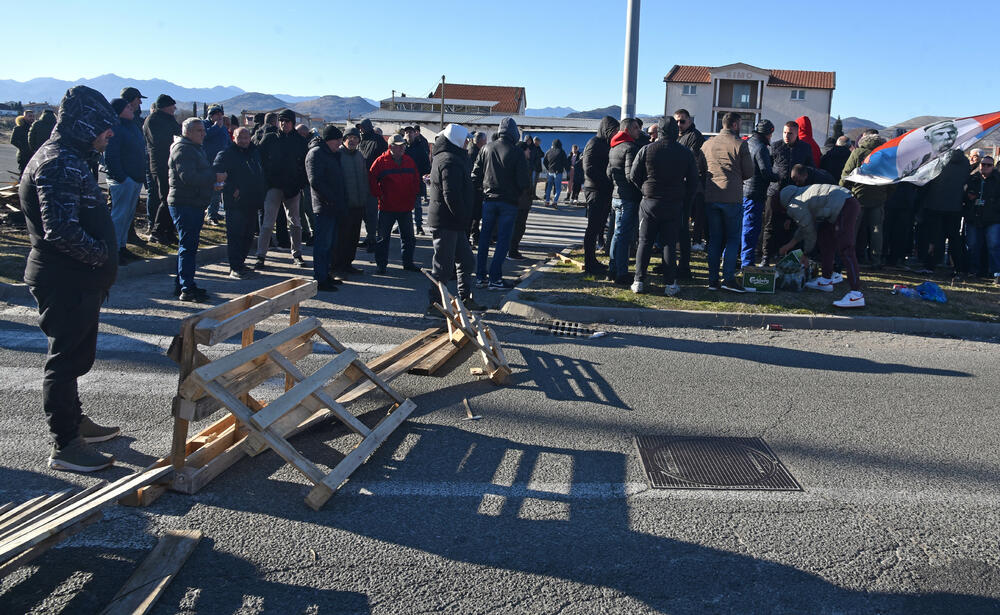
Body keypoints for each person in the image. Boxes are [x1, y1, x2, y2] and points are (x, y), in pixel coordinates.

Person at [19, 86, 122, 472]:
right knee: (64, 362)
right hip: (65, 279)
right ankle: (66, 444)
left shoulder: (72, 156)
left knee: (75, 356)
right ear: (83, 126)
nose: (108, 134)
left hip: (78, 279)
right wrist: (101, 258)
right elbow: (60, 231)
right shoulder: (58, 162)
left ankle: (76, 422)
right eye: (102, 127)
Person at [628, 116, 699, 296]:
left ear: (659, 131)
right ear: (676, 131)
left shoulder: (647, 149)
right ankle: (670, 283)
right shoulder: (685, 152)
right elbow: (693, 182)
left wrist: (645, 187)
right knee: (669, 244)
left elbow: (633, 175)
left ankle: (639, 280)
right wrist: (685, 199)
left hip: (649, 201)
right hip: (674, 203)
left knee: (644, 242)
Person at [426, 124, 485, 314]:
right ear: (458, 140)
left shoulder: (452, 157)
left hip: (454, 222)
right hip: (446, 221)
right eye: (466, 139)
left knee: (466, 261)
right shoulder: (449, 161)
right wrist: (463, 217)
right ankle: (434, 304)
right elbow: (450, 194)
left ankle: (465, 298)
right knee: (443, 266)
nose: (468, 142)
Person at [778, 179, 864, 307]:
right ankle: (825, 280)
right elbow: (805, 225)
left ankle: (856, 294)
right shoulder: (803, 193)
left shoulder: (795, 204)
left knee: (846, 249)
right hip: (843, 202)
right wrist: (791, 244)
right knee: (826, 240)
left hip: (845, 206)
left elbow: (809, 232)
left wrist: (806, 254)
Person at [169, 118, 224, 301]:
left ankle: (184, 283)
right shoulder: (183, 149)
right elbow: (189, 177)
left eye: (203, 130)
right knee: (188, 246)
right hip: (185, 203)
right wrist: (213, 176)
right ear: (188, 132)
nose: (204, 134)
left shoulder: (193, 148)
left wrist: (211, 183)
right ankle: (186, 288)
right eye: (199, 131)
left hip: (193, 202)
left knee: (188, 245)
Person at [472, 117, 530, 289]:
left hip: (488, 200)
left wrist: (482, 191)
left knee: (484, 239)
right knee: (503, 241)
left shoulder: (486, 148)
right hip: (509, 202)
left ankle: (480, 276)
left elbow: (475, 175)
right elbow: (524, 182)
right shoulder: (517, 152)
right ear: (514, 133)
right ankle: (495, 278)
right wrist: (518, 193)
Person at [702, 112, 753, 292]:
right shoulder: (740, 144)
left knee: (715, 239)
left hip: (711, 195)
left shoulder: (707, 144)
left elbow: (701, 168)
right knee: (732, 239)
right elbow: (749, 172)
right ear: (735, 125)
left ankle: (712, 280)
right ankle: (728, 278)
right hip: (732, 197)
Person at [256, 109, 309, 268]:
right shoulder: (269, 139)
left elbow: (304, 166)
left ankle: (297, 254)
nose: (283, 123)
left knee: (295, 223)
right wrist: (265, 182)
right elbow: (259, 160)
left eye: (287, 121)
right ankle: (260, 256)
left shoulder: (299, 141)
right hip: (273, 187)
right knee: (267, 223)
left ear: (293, 123)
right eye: (281, 120)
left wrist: (299, 184)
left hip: (293, 189)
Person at [213, 127, 265, 279]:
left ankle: (241, 263)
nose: (243, 140)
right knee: (235, 235)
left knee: (248, 235)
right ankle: (234, 267)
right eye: (240, 137)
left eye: (246, 137)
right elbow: (218, 174)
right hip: (235, 202)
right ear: (233, 138)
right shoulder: (226, 154)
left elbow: (260, 173)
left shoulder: (254, 153)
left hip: (252, 200)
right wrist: (231, 189)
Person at [102, 98, 146, 265]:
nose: (132, 109)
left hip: (135, 178)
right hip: (123, 180)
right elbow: (111, 156)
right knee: (119, 217)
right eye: (128, 107)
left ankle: (122, 247)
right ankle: (112, 252)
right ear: (119, 110)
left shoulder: (132, 126)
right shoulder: (115, 128)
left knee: (127, 217)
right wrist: (122, 178)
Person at [763, 120, 814, 265]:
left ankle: (791, 258)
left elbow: (810, 169)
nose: (787, 136)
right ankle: (767, 256)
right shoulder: (775, 146)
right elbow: (768, 167)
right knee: (770, 225)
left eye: (790, 133)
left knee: (794, 226)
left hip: (796, 193)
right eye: (785, 132)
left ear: (797, 133)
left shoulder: (805, 148)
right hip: (775, 192)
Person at [370, 134, 421, 274]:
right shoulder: (380, 162)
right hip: (387, 207)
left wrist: (413, 195)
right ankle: (381, 265)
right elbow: (372, 180)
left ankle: (408, 262)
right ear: (390, 146)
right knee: (382, 238)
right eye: (398, 146)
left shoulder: (409, 161)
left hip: (405, 206)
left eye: (403, 145)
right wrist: (380, 195)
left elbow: (416, 179)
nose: (402, 148)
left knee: (409, 237)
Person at [915, 149, 971, 274]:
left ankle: (931, 264)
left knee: (934, 237)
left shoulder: (938, 160)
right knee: (954, 237)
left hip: (934, 204)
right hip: (955, 206)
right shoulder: (965, 162)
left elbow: (927, 181)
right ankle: (958, 266)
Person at [305, 124, 346, 291]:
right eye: (337, 140)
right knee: (322, 244)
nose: (339, 143)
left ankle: (326, 274)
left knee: (330, 244)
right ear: (329, 140)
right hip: (324, 206)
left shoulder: (332, 154)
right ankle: (320, 278)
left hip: (334, 205)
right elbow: (315, 181)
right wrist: (330, 199)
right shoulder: (316, 154)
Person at [840, 130, 888, 266]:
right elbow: (892, 177)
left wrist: (843, 190)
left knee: (852, 229)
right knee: (876, 231)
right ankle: (876, 260)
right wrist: (886, 194)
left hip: (858, 196)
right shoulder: (884, 154)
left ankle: (848, 258)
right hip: (879, 197)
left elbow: (846, 174)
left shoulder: (857, 153)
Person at [581, 116, 620, 273]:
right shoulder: (594, 143)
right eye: (613, 131)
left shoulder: (606, 144)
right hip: (595, 190)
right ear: (606, 130)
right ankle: (589, 262)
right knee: (593, 227)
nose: (615, 134)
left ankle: (593, 260)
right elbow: (588, 168)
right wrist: (606, 181)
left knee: (598, 227)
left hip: (603, 191)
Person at [606, 118, 641, 284]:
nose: (638, 130)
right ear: (627, 129)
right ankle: (621, 272)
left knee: (616, 234)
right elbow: (631, 175)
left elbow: (608, 172)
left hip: (616, 195)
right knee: (624, 236)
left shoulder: (614, 147)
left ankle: (612, 269)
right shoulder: (630, 148)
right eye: (635, 128)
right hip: (628, 197)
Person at [143, 94, 181, 244]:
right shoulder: (152, 120)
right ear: (165, 106)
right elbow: (159, 142)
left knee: (173, 199)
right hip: (159, 163)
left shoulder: (169, 119)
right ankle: (157, 231)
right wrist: (174, 141)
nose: (174, 108)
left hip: (173, 163)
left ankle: (169, 231)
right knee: (165, 198)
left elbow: (178, 134)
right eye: (172, 106)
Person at [332, 126, 369, 276]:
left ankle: (348, 264)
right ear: (344, 139)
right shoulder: (338, 155)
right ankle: (337, 267)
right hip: (344, 205)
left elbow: (364, 177)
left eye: (355, 138)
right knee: (341, 238)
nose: (353, 140)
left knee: (354, 237)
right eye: (350, 138)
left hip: (358, 204)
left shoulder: (360, 156)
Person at [741, 120, 778, 268]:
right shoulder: (761, 148)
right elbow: (766, 173)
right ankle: (747, 264)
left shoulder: (748, 142)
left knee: (741, 229)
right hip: (755, 193)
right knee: (750, 230)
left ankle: (734, 259)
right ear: (768, 133)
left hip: (743, 191)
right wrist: (778, 176)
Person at [963, 155, 1000, 281]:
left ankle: (995, 272)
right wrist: (969, 200)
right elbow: (964, 196)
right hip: (974, 217)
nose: (985, 167)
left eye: (988, 165)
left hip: (992, 218)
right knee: (972, 245)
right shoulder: (973, 179)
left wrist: (990, 204)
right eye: (983, 164)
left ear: (993, 167)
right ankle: (974, 270)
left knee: (993, 245)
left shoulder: (997, 180)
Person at [357, 118, 387, 251]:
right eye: (359, 127)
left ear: (368, 127)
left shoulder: (378, 140)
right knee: (363, 212)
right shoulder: (359, 140)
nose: (360, 129)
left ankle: (373, 240)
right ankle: (369, 238)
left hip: (373, 181)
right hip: (360, 181)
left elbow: (383, 160)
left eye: (362, 127)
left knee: (371, 213)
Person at [202, 105, 229, 225]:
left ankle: (215, 211)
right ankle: (211, 215)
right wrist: (215, 127)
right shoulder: (205, 125)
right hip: (209, 161)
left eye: (220, 114)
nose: (219, 116)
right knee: (212, 190)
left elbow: (227, 141)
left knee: (219, 189)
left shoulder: (222, 127)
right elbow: (204, 136)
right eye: (216, 114)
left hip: (222, 162)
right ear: (210, 115)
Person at [508, 142, 535, 261]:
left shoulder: (518, 162)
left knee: (519, 226)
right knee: (518, 226)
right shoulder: (522, 163)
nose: (529, 152)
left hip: (522, 200)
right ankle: (512, 251)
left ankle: (513, 249)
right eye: (527, 150)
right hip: (521, 200)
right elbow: (524, 183)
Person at [404, 126, 431, 235]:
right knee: (404, 205)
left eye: (410, 132)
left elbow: (426, 164)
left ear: (415, 133)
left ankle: (419, 226)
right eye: (407, 132)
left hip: (416, 181)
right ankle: (403, 224)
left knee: (417, 206)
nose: (408, 134)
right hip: (403, 181)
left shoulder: (420, 147)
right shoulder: (402, 147)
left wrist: (424, 176)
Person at [467, 131, 487, 242]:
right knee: (473, 213)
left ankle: (475, 233)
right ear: (481, 141)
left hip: (476, 187)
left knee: (476, 213)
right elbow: (473, 172)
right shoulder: (474, 153)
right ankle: (472, 234)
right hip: (474, 187)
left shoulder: (477, 151)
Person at [543, 138, 569, 207]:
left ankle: (547, 201)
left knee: (549, 188)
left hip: (550, 172)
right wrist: (567, 170)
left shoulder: (548, 151)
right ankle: (555, 202)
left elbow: (544, 161)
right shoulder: (561, 151)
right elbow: (565, 162)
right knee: (558, 189)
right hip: (558, 172)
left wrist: (548, 168)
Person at [10, 110, 34, 176]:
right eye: (30, 116)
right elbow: (13, 141)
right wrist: (24, 148)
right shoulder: (18, 128)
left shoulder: (34, 128)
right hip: (23, 156)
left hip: (32, 155)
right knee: (23, 175)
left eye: (33, 116)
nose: (32, 118)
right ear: (24, 117)